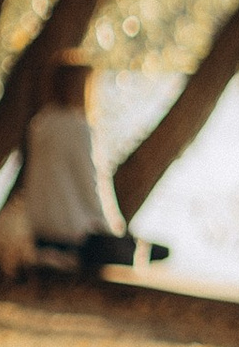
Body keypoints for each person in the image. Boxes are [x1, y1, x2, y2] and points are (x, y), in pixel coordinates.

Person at [22, 57, 167, 277]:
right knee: (157, 251)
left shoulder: (40, 125)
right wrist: (114, 229)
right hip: (75, 240)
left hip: (40, 234)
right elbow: (91, 186)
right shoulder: (78, 128)